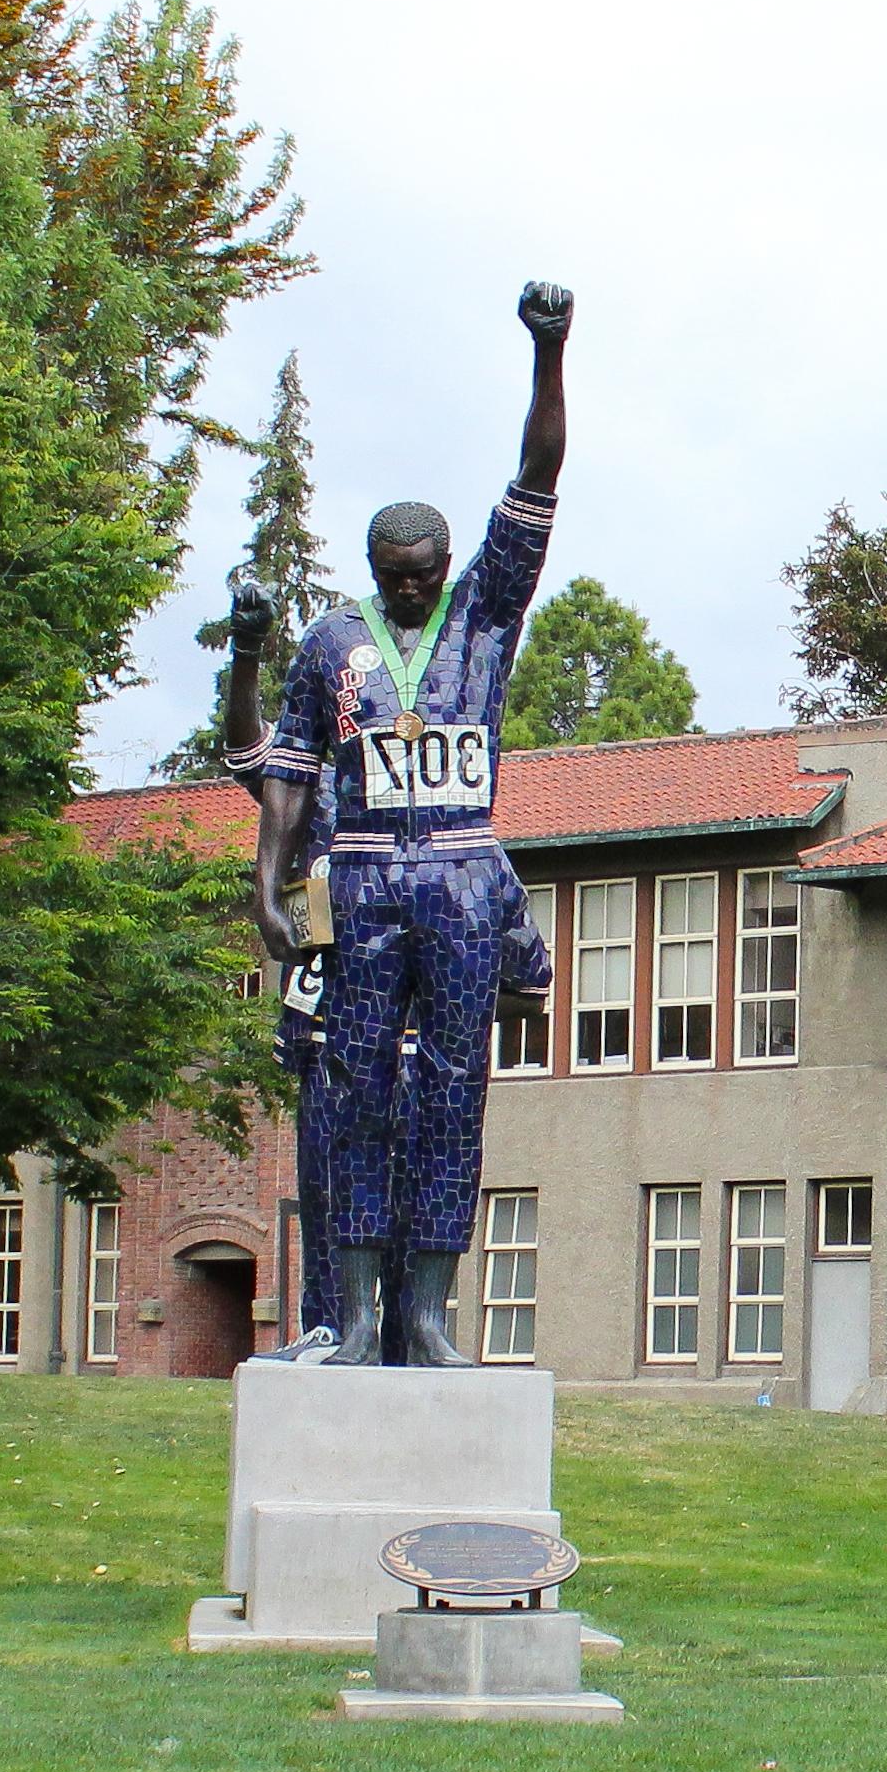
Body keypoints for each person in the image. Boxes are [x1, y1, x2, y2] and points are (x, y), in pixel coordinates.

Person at [247, 283, 574, 1365]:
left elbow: (537, 479)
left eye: (424, 577)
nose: (411, 590)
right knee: (352, 1088)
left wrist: (549, 351)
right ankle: (348, 1317)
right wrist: (268, 885)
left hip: (460, 876)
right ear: (371, 572)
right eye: (395, 579)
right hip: (362, 880)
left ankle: (427, 1315)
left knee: (452, 1087)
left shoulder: (483, 612)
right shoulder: (330, 642)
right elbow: (289, 769)